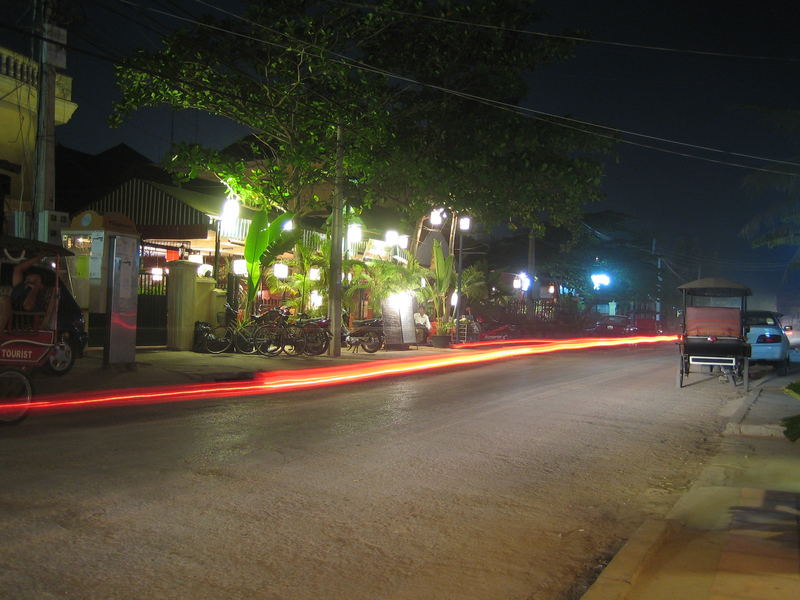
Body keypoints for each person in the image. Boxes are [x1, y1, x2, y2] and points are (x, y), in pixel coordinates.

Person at [0, 253, 49, 331]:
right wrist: (40, 256)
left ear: (41, 285)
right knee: (4, 299)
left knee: (5, 299)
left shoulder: (38, 296)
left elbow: (28, 306)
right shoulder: (20, 287)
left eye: (35, 281)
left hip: (18, 322)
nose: (29, 280)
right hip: (6, 313)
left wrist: (34, 289)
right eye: (28, 279)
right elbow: (18, 269)